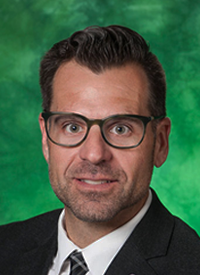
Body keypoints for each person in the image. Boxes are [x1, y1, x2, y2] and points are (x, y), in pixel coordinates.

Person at [0, 25, 199, 275]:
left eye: (121, 129)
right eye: (72, 127)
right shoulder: (5, 248)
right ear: (45, 138)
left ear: (160, 142)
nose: (94, 154)